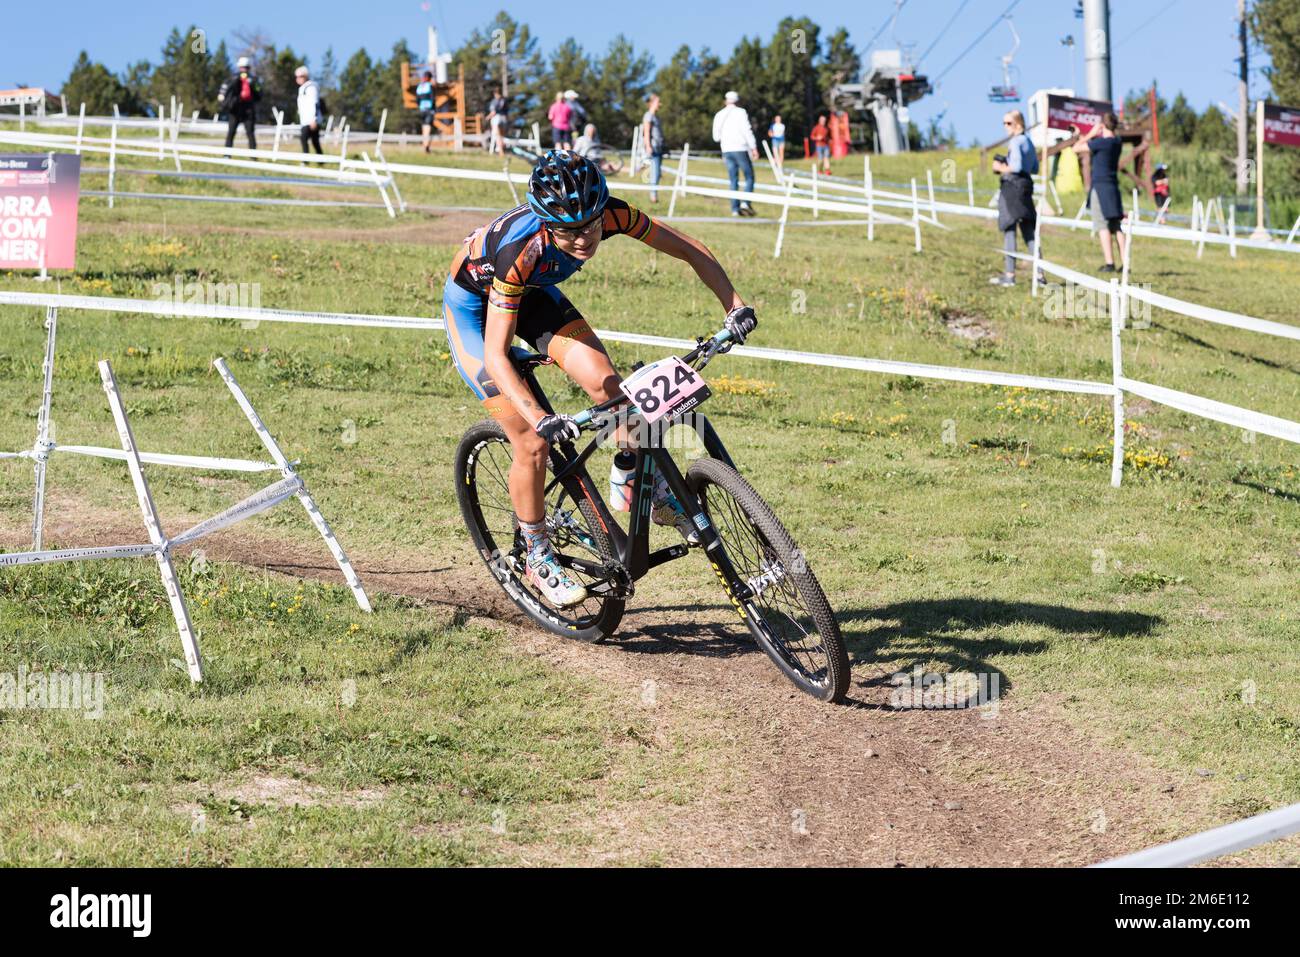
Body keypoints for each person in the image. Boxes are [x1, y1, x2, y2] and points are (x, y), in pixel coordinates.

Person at [440, 151, 758, 607]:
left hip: (535, 297)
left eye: (590, 225)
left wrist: (734, 306)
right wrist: (540, 418)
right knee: (531, 441)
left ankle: (631, 479)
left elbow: (688, 249)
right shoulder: (520, 251)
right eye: (569, 232)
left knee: (610, 389)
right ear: (547, 224)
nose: (585, 238)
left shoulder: (611, 214)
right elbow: (495, 355)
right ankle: (537, 552)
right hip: (474, 312)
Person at [988, 110, 1039, 288]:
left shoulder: (1016, 141)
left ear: (1018, 124)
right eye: (1004, 123)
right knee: (1029, 233)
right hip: (1025, 187)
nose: (1005, 127)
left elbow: (1016, 166)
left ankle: (1010, 275)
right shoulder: (1029, 142)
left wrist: (1000, 167)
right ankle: (1040, 275)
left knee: (1009, 230)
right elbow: (1035, 168)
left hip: (1012, 189)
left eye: (1008, 123)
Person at [1074, 112, 1126, 272]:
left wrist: (1089, 134)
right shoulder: (1117, 142)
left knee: (1102, 225)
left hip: (1100, 187)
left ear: (1102, 125)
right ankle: (1125, 263)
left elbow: (1076, 148)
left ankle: (1109, 263)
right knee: (1116, 225)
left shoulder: (1100, 143)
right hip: (1113, 186)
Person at [712, 91, 758, 217]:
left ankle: (734, 209)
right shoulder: (741, 112)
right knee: (749, 177)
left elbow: (716, 137)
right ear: (737, 101)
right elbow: (747, 130)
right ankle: (745, 203)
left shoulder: (719, 114)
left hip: (726, 150)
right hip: (740, 148)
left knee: (733, 180)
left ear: (726, 100)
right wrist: (753, 147)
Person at [220, 56, 262, 153]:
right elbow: (225, 89)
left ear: (249, 68)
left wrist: (252, 85)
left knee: (250, 133)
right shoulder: (233, 78)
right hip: (235, 108)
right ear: (239, 68)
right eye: (242, 67)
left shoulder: (253, 80)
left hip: (248, 109)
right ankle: (227, 154)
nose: (244, 70)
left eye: (246, 67)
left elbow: (259, 92)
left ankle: (253, 155)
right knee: (231, 132)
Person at [641, 93, 665, 203]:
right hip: (653, 148)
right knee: (655, 173)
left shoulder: (656, 117)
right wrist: (648, 146)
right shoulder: (648, 115)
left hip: (659, 148)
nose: (660, 104)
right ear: (652, 103)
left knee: (658, 173)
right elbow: (646, 132)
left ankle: (654, 194)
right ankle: (653, 196)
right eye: (658, 102)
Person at [294, 66, 323, 155]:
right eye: (297, 77)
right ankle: (321, 161)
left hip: (312, 120)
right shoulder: (302, 88)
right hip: (305, 120)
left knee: (304, 138)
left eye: (300, 76)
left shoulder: (311, 87)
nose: (298, 79)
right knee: (314, 141)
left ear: (306, 76)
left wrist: (314, 120)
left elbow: (314, 103)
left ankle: (306, 160)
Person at [414, 71, 435, 153]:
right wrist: (433, 109)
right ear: (429, 78)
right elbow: (433, 99)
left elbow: (417, 100)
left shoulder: (419, 87)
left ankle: (424, 145)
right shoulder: (430, 86)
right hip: (429, 109)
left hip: (421, 109)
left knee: (423, 127)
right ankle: (426, 146)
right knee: (428, 127)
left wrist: (420, 106)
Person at [487, 88, 508, 155]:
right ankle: (500, 150)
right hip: (504, 118)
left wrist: (488, 117)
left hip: (497, 118)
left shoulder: (495, 101)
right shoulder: (504, 100)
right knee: (501, 136)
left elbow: (494, 112)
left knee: (498, 135)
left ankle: (501, 151)